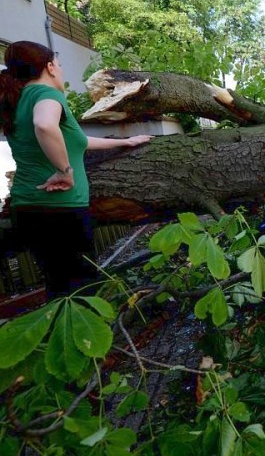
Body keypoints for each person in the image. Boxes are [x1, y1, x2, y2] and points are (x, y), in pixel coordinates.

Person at [0, 40, 153, 299]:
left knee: (59, 287)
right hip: (60, 211)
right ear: (49, 67)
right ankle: (82, 339)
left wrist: (124, 141)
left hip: (28, 209)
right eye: (58, 64)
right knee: (82, 289)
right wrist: (65, 171)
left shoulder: (17, 101)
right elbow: (45, 126)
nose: (61, 70)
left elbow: (75, 141)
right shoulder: (46, 94)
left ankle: (62, 334)